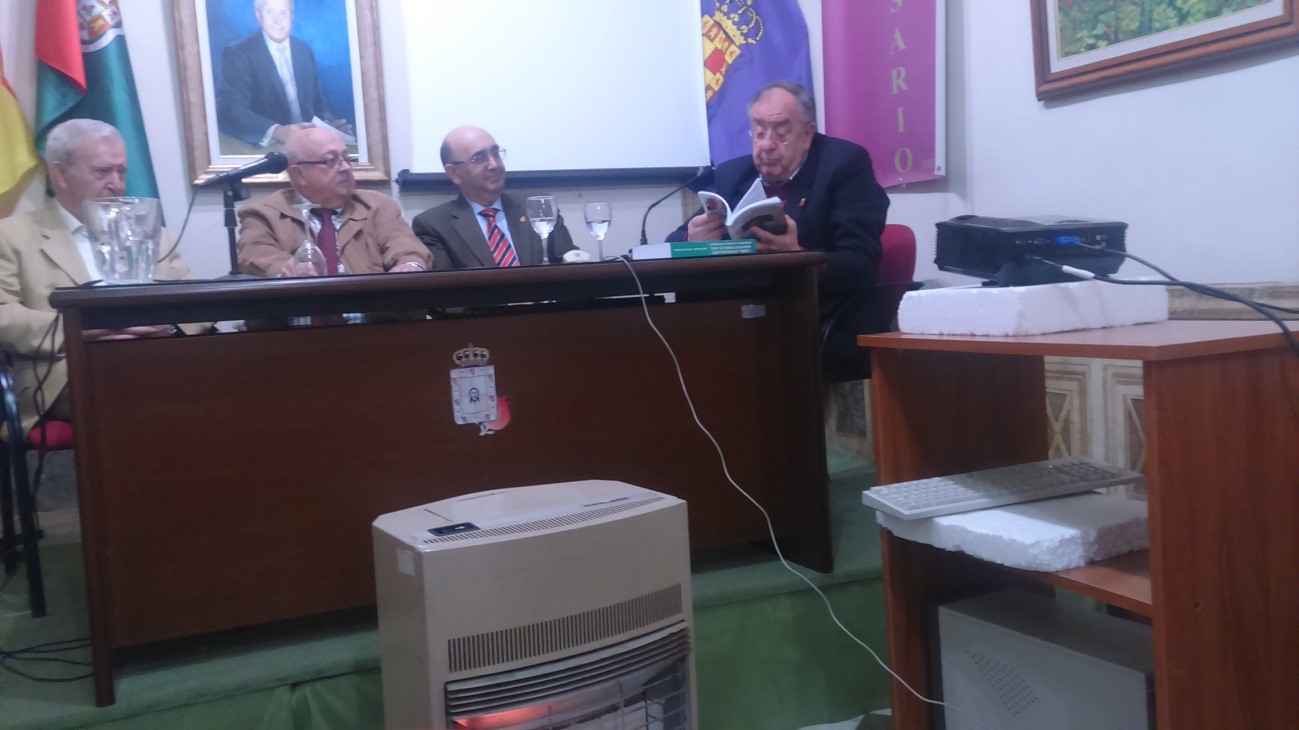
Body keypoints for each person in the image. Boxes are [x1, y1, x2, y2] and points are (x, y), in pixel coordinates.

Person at [670, 80, 890, 377]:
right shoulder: (735, 174)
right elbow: (672, 241)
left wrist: (799, 256)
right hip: (742, 323)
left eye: (781, 133)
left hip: (817, 323)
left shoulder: (843, 165)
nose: (767, 144)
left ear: (808, 134)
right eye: (759, 132)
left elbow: (860, 263)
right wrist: (691, 239)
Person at [0, 119, 201, 431]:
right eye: (102, 171)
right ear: (61, 174)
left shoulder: (152, 234)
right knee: (137, 393)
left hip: (158, 357)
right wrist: (74, 330)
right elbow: (3, 314)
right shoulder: (13, 235)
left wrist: (167, 326)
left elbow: (196, 301)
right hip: (64, 372)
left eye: (121, 171)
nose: (116, 183)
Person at [237, 126, 430, 278]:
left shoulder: (378, 206)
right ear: (299, 173)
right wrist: (286, 268)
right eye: (331, 160)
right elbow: (255, 253)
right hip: (296, 325)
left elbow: (404, 245)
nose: (345, 167)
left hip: (371, 322)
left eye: (347, 158)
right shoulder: (263, 213)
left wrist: (410, 264)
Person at [412, 126, 576, 269]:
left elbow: (569, 264)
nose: (495, 165)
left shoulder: (538, 205)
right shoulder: (433, 225)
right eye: (480, 158)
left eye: (496, 153)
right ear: (454, 173)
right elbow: (448, 294)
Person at [216, 0, 351, 147]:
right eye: (270, 12)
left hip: (308, 141)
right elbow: (229, 109)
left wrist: (328, 125)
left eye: (283, 12)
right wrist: (278, 131)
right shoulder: (238, 53)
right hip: (271, 146)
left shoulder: (303, 50)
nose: (277, 21)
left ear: (291, 16)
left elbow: (319, 101)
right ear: (259, 16)